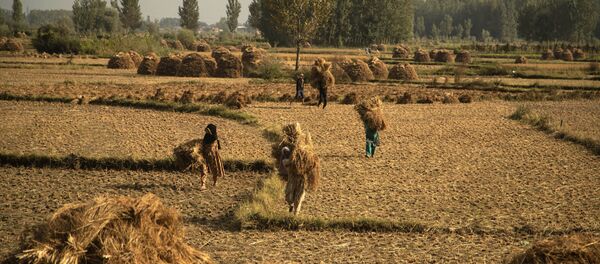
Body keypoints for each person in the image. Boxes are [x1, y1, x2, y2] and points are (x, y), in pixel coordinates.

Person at [200, 124, 224, 190]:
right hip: (204, 155)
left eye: (208, 130)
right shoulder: (206, 137)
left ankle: (215, 182)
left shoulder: (214, 138)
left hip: (213, 156)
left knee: (214, 169)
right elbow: (203, 144)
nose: (206, 131)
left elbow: (216, 147)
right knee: (203, 169)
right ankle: (203, 184)